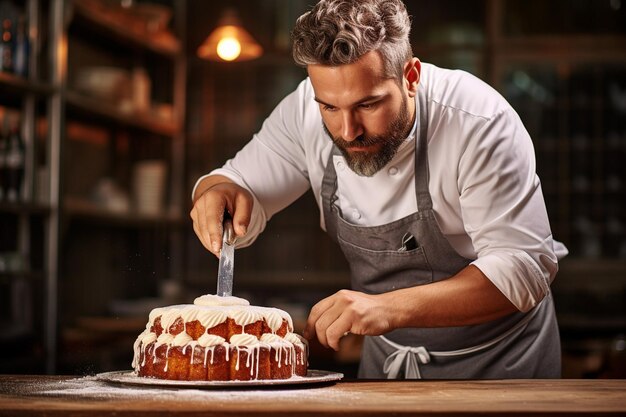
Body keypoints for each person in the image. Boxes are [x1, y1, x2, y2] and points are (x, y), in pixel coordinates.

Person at [190, 0, 567, 379]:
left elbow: (522, 267)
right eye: (330, 109)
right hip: (390, 365)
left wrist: (387, 308)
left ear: (411, 77)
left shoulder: (478, 122)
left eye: (368, 104)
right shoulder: (305, 110)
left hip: (502, 363)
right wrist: (218, 192)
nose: (348, 131)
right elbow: (237, 182)